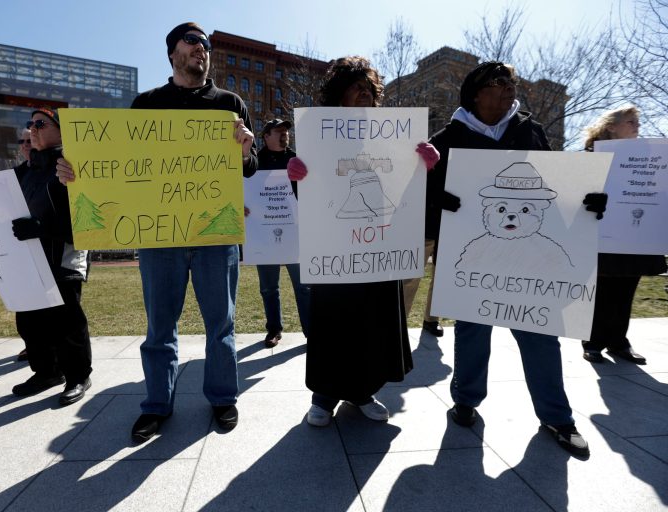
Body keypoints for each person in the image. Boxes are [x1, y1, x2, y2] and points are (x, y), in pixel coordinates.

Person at [57, 22, 257, 441]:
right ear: (172, 53)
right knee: (160, 329)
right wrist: (79, 174)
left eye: (205, 45)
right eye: (192, 42)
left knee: (221, 325)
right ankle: (156, 405)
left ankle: (223, 399)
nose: (201, 50)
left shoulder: (230, 103)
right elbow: (123, 165)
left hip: (215, 236)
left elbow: (249, 167)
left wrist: (243, 150)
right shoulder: (147, 103)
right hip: (159, 237)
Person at [426, 61, 607, 457]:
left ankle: (558, 417)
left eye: (512, 82)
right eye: (499, 82)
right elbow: (422, 201)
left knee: (541, 334)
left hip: (531, 261)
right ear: (475, 92)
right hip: (476, 260)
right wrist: (437, 200)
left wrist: (588, 202)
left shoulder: (530, 130)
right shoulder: (446, 139)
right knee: (472, 332)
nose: (510, 89)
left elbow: (556, 188)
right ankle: (465, 401)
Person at [286, 56, 439, 427]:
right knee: (334, 322)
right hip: (337, 252)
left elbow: (410, 191)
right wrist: (297, 175)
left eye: (369, 88)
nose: (364, 94)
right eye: (356, 87)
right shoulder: (320, 137)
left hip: (379, 249)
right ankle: (323, 397)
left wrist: (429, 166)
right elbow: (314, 198)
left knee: (373, 322)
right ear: (338, 94)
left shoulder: (395, 136)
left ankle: (362, 391)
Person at [10, 107, 92, 406]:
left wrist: (43, 228)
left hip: (63, 257)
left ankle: (78, 376)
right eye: (30, 124)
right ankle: (46, 372)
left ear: (62, 130)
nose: (32, 128)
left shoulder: (73, 164)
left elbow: (89, 214)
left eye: (41, 123)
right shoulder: (23, 171)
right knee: (29, 321)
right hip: (27, 259)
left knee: (66, 322)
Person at [580, 105, 666, 365]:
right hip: (602, 235)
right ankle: (593, 342)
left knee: (626, 290)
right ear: (611, 126)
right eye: (631, 122)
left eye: (638, 123)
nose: (637, 127)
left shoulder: (650, 158)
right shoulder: (591, 155)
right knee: (601, 291)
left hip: (636, 237)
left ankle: (619, 342)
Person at [254, 118, 310, 347]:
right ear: (265, 136)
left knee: (304, 287)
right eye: (278, 131)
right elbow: (245, 191)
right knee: (268, 287)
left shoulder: (298, 159)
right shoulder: (254, 163)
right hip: (264, 234)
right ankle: (274, 330)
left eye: (286, 131)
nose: (284, 134)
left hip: (295, 235)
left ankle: (311, 332)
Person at [14, 127, 32, 362]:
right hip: (20, 244)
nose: (27, 143)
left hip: (50, 243)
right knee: (25, 302)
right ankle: (32, 345)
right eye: (23, 140)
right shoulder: (14, 174)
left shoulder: (59, 168)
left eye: (30, 139)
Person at [401, 240, 443, 336]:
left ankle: (431, 320)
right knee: (410, 279)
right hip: (422, 233)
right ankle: (400, 321)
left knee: (440, 279)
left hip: (446, 233)